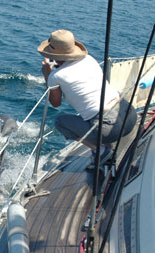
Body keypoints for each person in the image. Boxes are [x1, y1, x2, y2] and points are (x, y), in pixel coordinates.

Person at [38, 29, 137, 168]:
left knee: (60, 121)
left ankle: (100, 150)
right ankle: (107, 147)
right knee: (93, 113)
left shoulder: (56, 76)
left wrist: (47, 74)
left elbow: (56, 103)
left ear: (53, 55)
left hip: (109, 129)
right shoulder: (89, 59)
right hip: (129, 115)